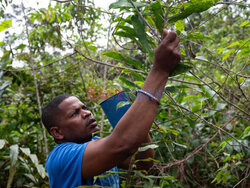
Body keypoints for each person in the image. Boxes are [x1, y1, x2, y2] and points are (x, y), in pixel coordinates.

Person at [42, 29, 181, 188]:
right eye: (75, 113)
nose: (87, 113)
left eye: (84, 108)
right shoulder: (61, 158)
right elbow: (121, 144)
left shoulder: (96, 143)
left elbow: (144, 162)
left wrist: (122, 110)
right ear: (57, 132)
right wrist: (160, 70)